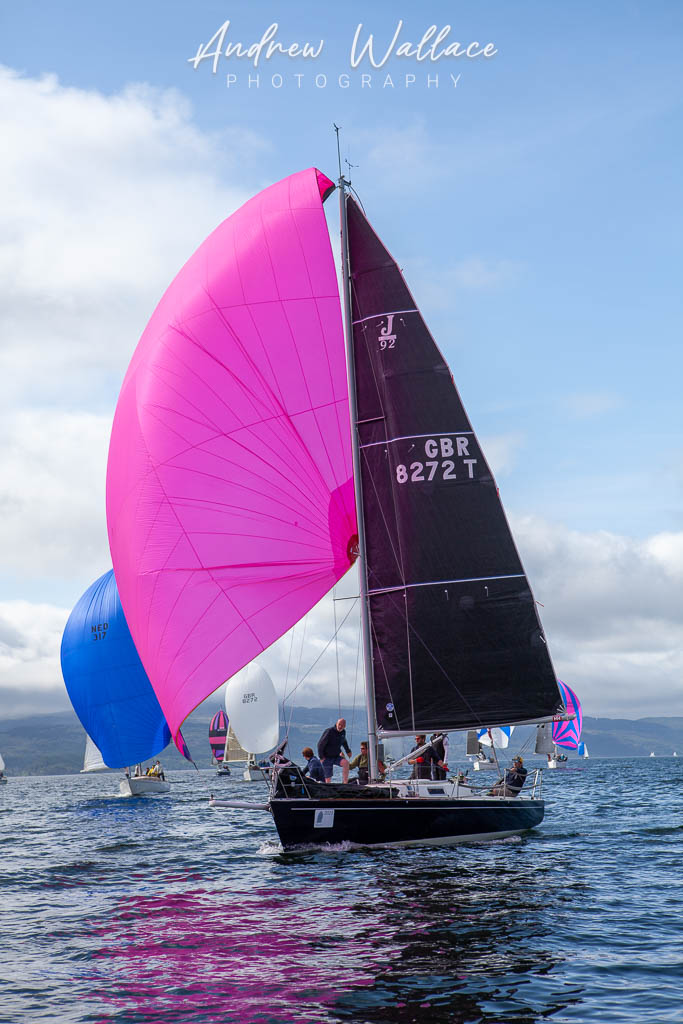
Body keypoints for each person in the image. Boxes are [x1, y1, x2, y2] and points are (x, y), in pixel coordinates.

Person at [317, 717, 351, 783]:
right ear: (336, 724)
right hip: (326, 757)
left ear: (345, 726)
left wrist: (348, 751)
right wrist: (321, 757)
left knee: (346, 763)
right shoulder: (329, 731)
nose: (340, 726)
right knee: (328, 779)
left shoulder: (343, 732)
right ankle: (328, 787)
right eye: (339, 724)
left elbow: (344, 741)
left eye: (342, 725)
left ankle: (345, 783)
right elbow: (320, 744)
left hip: (336, 756)